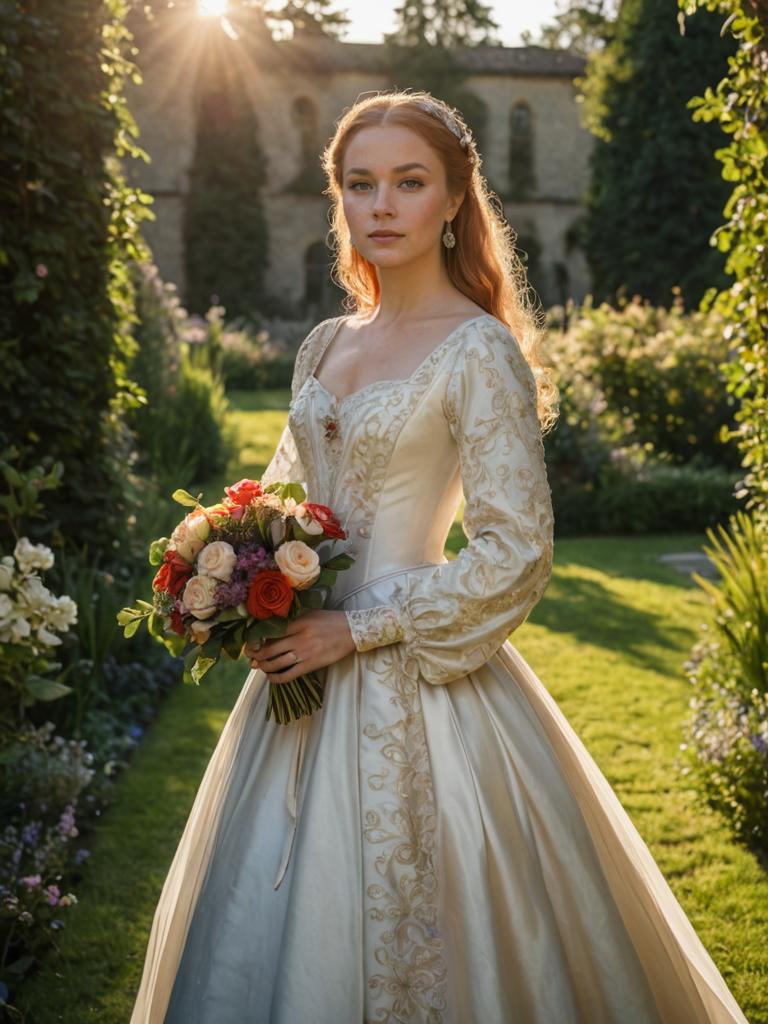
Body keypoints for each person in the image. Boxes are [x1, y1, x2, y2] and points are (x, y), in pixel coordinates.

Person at [130, 90, 748, 1024]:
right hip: (294, 682)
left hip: (417, 685)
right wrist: (231, 572)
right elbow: (280, 500)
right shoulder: (323, 344)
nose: (380, 205)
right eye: (359, 183)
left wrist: (359, 626)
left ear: (455, 199)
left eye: (408, 183)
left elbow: (517, 550)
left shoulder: (478, 351)